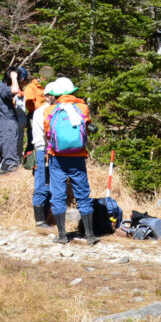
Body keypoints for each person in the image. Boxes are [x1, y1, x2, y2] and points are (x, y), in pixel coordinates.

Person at [44, 78, 97, 245]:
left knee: (58, 195)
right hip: (78, 157)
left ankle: (62, 235)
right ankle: (89, 235)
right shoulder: (82, 107)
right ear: (72, 92)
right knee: (82, 194)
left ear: (58, 94)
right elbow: (88, 128)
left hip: (57, 158)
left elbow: (47, 133)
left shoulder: (50, 110)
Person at [0, 67, 28, 175]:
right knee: (12, 163)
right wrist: (14, 77)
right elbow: (14, 90)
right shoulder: (3, 88)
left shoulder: (0, 88)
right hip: (6, 126)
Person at [29, 81, 58, 228]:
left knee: (49, 185)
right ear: (47, 96)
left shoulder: (51, 111)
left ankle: (45, 219)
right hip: (43, 151)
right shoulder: (42, 112)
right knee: (42, 184)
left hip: (50, 151)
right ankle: (40, 221)